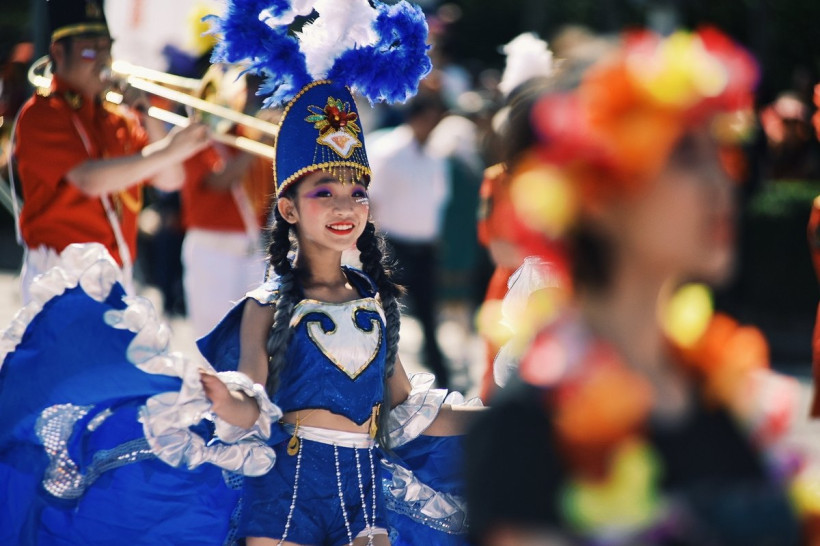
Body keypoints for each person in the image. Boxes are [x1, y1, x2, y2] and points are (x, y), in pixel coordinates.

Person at [1, 1, 481, 544]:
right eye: (325, 192)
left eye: (357, 193)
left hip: (364, 496)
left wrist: (497, 417)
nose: (345, 207)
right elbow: (254, 399)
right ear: (289, 209)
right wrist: (224, 398)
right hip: (285, 495)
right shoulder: (265, 305)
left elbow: (403, 409)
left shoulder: (375, 302)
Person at [464, 27, 818, 545]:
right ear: (597, 192)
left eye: (719, 154)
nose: (722, 184)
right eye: (684, 156)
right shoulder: (529, 430)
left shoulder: (728, 393)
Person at [12, 0, 210, 303]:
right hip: (61, 277)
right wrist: (169, 150)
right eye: (90, 51)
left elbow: (170, 179)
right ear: (58, 53)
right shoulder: (42, 113)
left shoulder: (118, 118)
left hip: (118, 273)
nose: (103, 60)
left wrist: (147, 114)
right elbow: (89, 180)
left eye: (106, 48)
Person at [180, 65, 277, 336]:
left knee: (256, 337)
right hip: (212, 251)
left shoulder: (246, 133)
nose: (248, 95)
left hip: (252, 250)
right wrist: (255, 146)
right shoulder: (199, 135)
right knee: (214, 335)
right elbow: (218, 181)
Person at [367, 91, 453, 389]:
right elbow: (372, 199)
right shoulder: (387, 150)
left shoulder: (436, 155)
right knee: (384, 315)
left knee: (429, 316)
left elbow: (438, 200)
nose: (432, 125)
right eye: (428, 118)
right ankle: (379, 377)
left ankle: (442, 379)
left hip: (424, 246)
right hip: (392, 246)